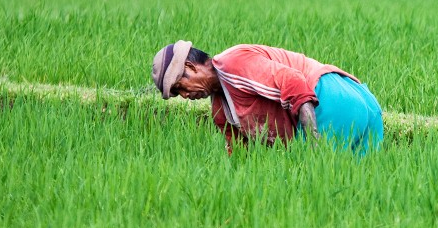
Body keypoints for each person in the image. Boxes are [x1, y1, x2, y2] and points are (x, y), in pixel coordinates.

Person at [151, 41, 384, 155]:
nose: (185, 96)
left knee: (315, 181)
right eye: (177, 95)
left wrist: (313, 146)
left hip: (329, 99)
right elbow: (242, 158)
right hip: (364, 102)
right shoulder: (221, 113)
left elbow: (293, 83)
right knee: (356, 190)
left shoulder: (232, 64)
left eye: (180, 87)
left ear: (191, 67)